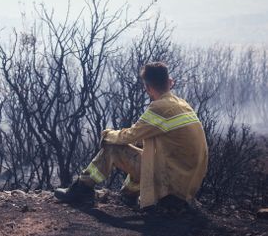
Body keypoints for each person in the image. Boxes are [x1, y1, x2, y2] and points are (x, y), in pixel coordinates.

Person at [54, 62, 208, 210]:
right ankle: (128, 194)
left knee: (113, 147)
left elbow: (130, 136)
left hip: (171, 183)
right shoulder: (182, 104)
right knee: (142, 147)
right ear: (170, 82)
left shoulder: (159, 107)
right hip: (186, 181)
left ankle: (82, 188)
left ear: (147, 88)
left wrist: (108, 134)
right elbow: (142, 139)